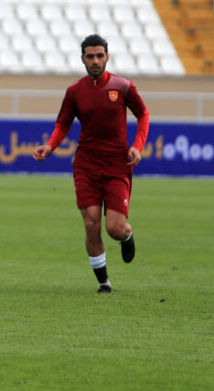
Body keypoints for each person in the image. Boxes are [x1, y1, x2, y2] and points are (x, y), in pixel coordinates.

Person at [33, 34, 150, 293]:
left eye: (100, 56)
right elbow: (63, 122)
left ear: (107, 56)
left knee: (114, 228)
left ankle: (127, 235)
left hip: (118, 165)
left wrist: (137, 146)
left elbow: (143, 114)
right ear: (83, 59)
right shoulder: (75, 91)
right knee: (91, 223)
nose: (95, 61)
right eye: (90, 56)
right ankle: (104, 282)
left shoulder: (122, 86)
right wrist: (50, 145)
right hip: (86, 165)